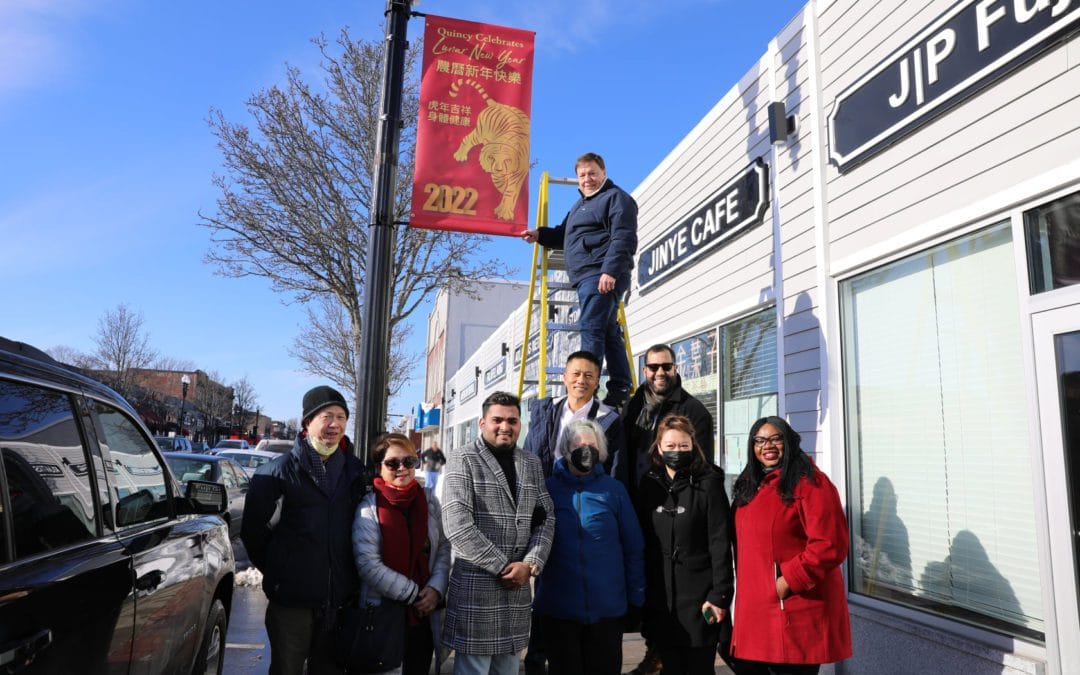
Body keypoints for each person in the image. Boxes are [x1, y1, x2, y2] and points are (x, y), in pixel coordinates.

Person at [241, 385, 367, 675]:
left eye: (341, 417)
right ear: (308, 422)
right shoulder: (275, 473)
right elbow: (253, 532)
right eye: (327, 416)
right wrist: (280, 569)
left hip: (338, 601)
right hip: (291, 601)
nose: (335, 424)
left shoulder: (355, 472)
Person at [440, 391, 555, 675]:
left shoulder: (531, 463)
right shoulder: (462, 459)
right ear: (482, 423)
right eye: (497, 420)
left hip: (516, 595)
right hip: (477, 592)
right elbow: (457, 526)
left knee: (508, 670)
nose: (505, 426)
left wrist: (530, 564)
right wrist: (505, 567)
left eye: (512, 421)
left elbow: (546, 518)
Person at [728, 416, 852, 675]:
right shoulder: (751, 485)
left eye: (776, 439)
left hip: (794, 611)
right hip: (755, 613)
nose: (767, 446)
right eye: (759, 441)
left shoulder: (811, 484)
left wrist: (788, 581)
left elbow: (830, 544)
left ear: (789, 442)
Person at [521, 152, 638, 408]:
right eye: (582, 175)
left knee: (590, 328)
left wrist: (610, 271)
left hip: (601, 273)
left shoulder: (616, 199)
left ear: (604, 173)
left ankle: (586, 391)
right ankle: (620, 387)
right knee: (608, 331)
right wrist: (539, 234)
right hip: (587, 275)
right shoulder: (578, 207)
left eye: (592, 173)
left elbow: (624, 237)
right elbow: (563, 235)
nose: (587, 179)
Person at [533, 419, 645, 675]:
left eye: (592, 445)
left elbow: (633, 548)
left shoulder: (614, 490)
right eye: (578, 445)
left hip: (607, 610)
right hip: (559, 611)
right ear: (566, 449)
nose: (586, 450)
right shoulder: (547, 490)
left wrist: (636, 597)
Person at [638, 415, 733, 675]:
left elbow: (720, 542)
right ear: (659, 448)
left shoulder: (708, 484)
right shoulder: (649, 484)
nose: (677, 451)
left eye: (683, 446)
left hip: (700, 599)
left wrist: (719, 595)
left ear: (693, 446)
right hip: (661, 601)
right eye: (670, 446)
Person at [352, 433, 451, 675]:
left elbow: (443, 548)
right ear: (379, 467)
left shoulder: (429, 501)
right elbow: (368, 565)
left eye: (408, 461)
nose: (402, 468)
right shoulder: (369, 507)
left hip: (425, 614)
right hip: (384, 615)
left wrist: (436, 589)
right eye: (392, 463)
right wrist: (414, 594)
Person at [624, 343, 715, 501]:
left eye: (666, 367)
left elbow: (702, 467)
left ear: (675, 369)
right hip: (632, 499)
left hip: (671, 503)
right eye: (653, 367)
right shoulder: (632, 407)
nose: (660, 373)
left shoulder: (694, 411)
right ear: (645, 371)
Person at [523, 350, 627, 486]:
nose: (581, 380)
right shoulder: (543, 412)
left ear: (597, 382)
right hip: (544, 494)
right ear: (565, 377)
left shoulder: (609, 420)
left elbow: (615, 471)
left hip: (588, 496)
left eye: (588, 375)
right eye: (576, 374)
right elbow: (527, 459)